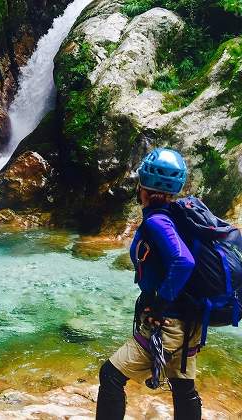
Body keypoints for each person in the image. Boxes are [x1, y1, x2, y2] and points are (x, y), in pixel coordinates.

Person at [96, 148, 203, 420]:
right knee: (182, 386)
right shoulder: (176, 214)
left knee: (110, 376)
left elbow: (183, 262)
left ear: (141, 184)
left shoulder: (157, 221)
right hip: (187, 318)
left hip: (170, 322)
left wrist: (158, 304)